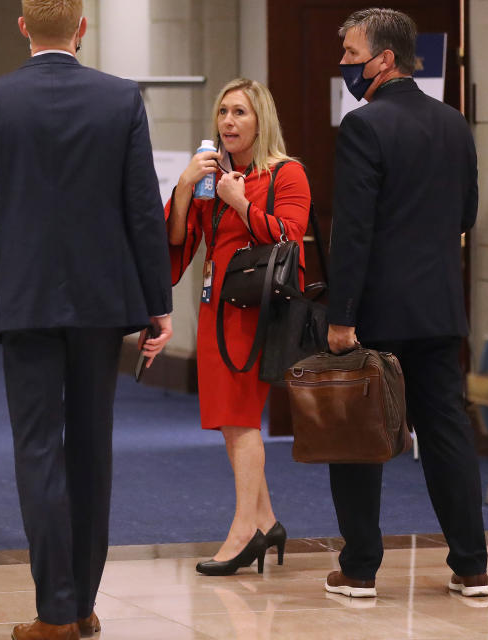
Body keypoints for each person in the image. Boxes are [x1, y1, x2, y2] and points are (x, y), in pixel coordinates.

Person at [0, 2, 173, 639]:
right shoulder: (120, 100)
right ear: (81, 28)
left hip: (23, 297)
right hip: (103, 301)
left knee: (39, 448)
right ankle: (82, 604)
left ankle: (55, 610)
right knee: (92, 450)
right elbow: (142, 211)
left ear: (23, 27)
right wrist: (158, 303)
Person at [324, 8, 488, 599]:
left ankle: (361, 568)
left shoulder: (365, 126)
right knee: (447, 431)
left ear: (384, 59)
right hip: (441, 307)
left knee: (359, 434)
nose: (343, 63)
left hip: (378, 313)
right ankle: (471, 565)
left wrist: (341, 317)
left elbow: (354, 231)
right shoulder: (454, 124)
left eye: (350, 53)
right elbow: (467, 215)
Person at [165, 78, 311, 576]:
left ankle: (244, 529)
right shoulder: (213, 176)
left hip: (258, 312)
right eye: (223, 113)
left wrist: (239, 201)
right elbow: (180, 239)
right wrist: (186, 186)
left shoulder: (287, 174)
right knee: (231, 421)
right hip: (216, 308)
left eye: (240, 113)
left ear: (260, 120)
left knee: (243, 419)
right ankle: (267, 523)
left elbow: (290, 237)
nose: (228, 122)